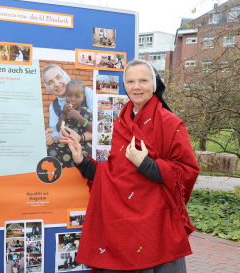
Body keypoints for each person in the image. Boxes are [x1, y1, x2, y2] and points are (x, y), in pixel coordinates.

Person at [62, 59, 199, 272]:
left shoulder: (171, 123)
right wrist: (82, 161)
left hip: (156, 227)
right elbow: (114, 174)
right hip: (121, 227)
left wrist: (146, 164)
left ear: (154, 84)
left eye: (143, 80)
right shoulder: (121, 123)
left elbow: (187, 172)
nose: (136, 86)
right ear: (125, 86)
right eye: (131, 81)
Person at [42, 65, 93, 147]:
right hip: (67, 146)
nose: (56, 84)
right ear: (47, 87)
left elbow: (100, 127)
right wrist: (50, 137)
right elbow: (56, 132)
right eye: (50, 82)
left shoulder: (86, 93)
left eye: (58, 77)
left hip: (87, 144)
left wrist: (80, 138)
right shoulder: (54, 106)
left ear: (65, 76)